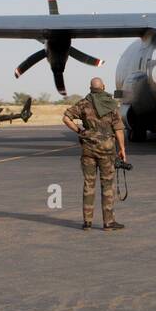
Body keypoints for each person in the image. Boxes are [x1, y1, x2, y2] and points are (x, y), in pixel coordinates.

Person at [62, 77, 127, 230]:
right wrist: (122, 149)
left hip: (88, 150)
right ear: (103, 87)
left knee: (88, 185)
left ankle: (87, 222)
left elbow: (66, 118)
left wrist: (80, 131)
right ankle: (108, 223)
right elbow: (118, 129)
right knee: (107, 186)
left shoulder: (84, 103)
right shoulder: (111, 105)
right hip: (107, 150)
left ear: (90, 88)